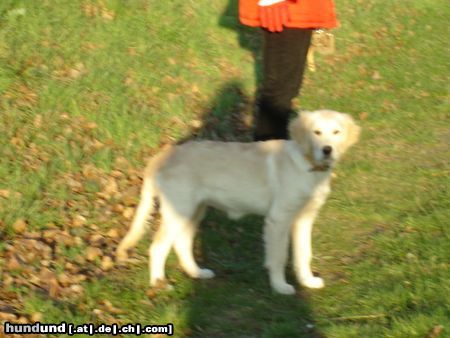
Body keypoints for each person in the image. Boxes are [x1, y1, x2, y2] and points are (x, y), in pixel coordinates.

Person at [238, 0, 337, 140]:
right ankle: (267, 152)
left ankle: (271, 150)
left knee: (287, 86)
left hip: (296, 7)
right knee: (280, 89)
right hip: (286, 8)